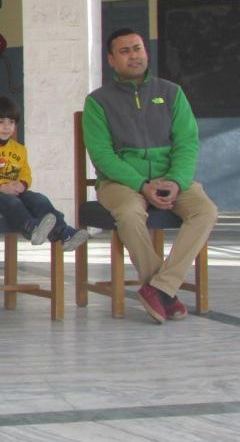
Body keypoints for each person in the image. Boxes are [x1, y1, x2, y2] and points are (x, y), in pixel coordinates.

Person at [83, 28, 218, 324]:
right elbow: (102, 155)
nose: (134, 56)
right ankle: (163, 292)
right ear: (111, 60)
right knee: (129, 214)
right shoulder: (97, 102)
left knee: (205, 210)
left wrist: (176, 181)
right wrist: (142, 185)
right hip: (120, 182)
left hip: (171, 178)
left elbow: (187, 143)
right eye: (125, 51)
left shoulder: (172, 93)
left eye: (138, 48)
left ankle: (160, 288)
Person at [0, 96, 89, 252]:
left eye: (11, 122)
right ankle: (31, 229)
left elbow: (26, 172)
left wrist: (22, 184)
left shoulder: (19, 149)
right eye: (0, 122)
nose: (7, 127)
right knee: (13, 203)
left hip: (15, 191)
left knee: (39, 199)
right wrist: (1, 187)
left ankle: (65, 234)